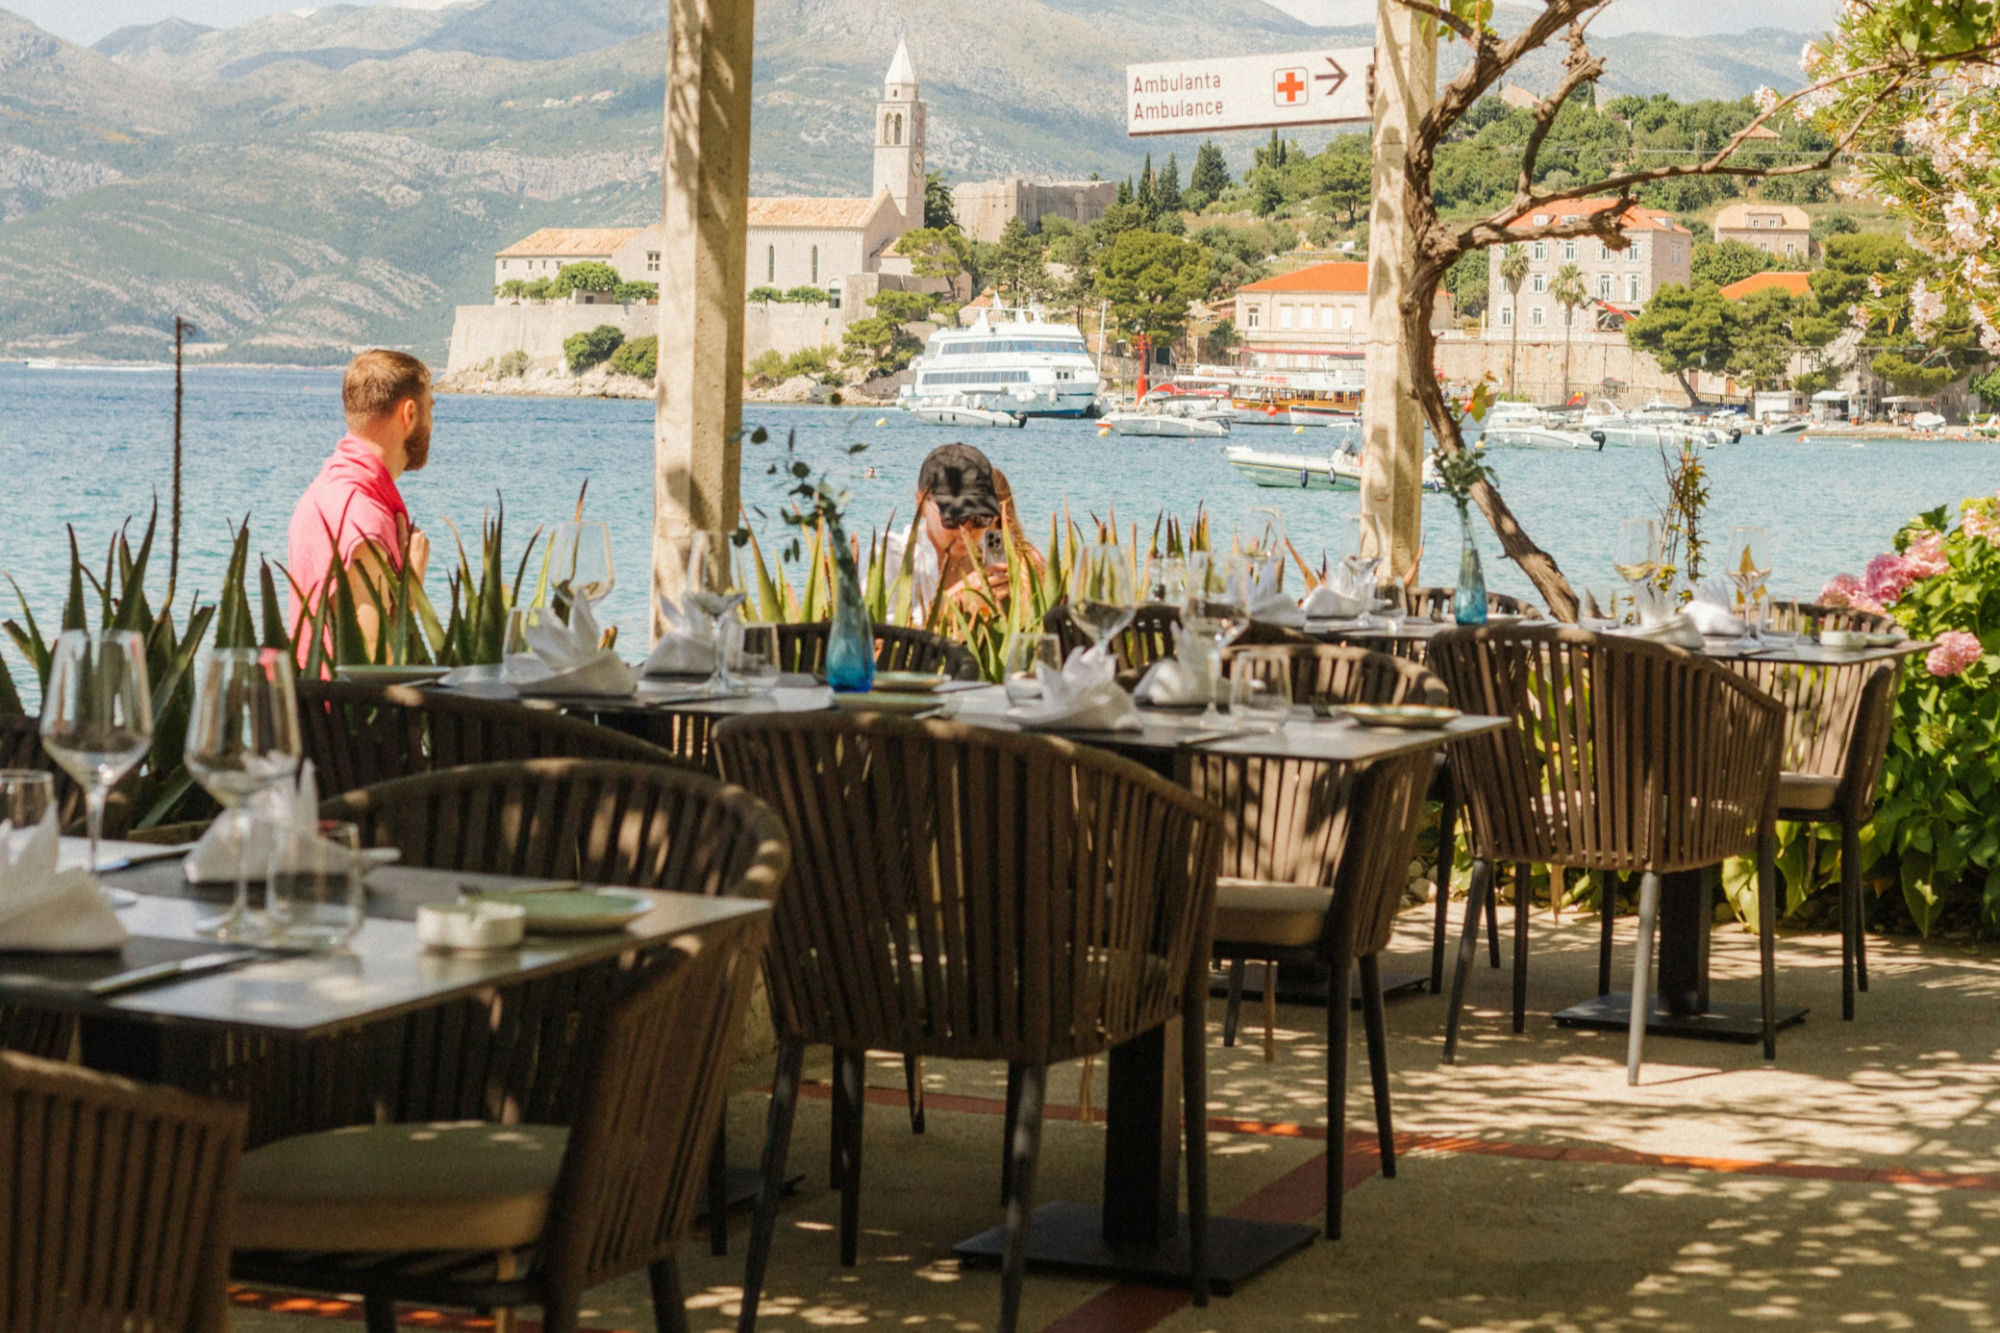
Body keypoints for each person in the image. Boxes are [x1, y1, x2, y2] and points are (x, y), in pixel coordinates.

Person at [287, 349, 433, 657]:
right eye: (430, 409)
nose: (432, 424)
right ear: (409, 414)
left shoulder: (325, 489)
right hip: (349, 706)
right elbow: (371, 664)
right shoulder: (363, 517)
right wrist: (413, 587)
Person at [898, 442, 1043, 617]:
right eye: (953, 517)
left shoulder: (994, 551)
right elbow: (878, 636)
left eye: (980, 518)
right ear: (921, 503)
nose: (966, 529)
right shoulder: (895, 555)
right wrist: (954, 601)